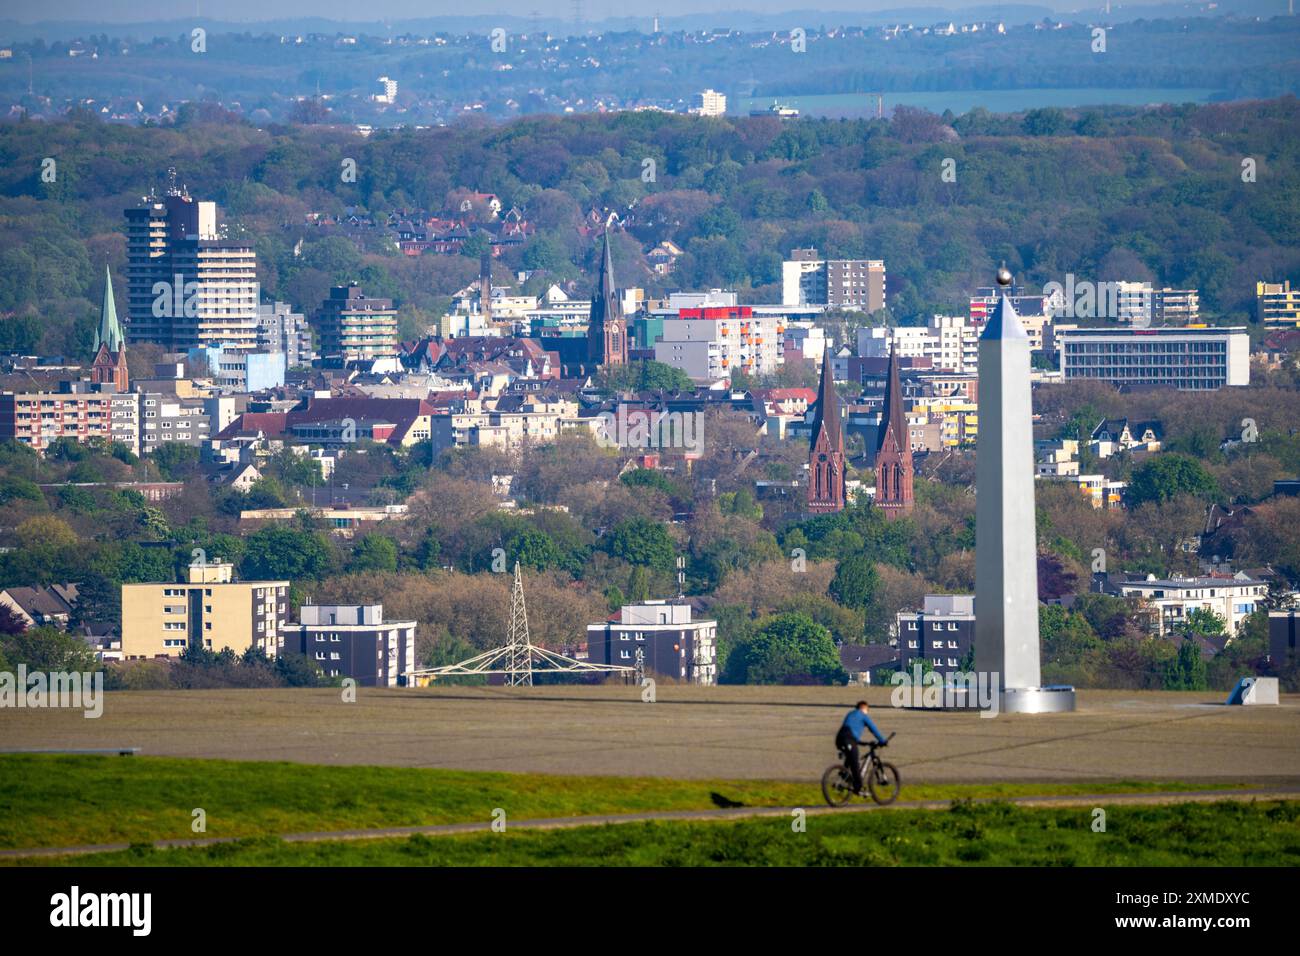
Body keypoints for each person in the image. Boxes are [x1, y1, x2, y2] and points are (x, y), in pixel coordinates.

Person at [836, 700, 887, 795]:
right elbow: (873, 729)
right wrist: (883, 741)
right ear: (864, 708)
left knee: (850, 758)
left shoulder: (850, 714)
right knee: (855, 763)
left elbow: (851, 731)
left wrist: (863, 743)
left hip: (840, 738)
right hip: (849, 739)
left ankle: (845, 775)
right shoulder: (862, 715)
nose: (868, 712)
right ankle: (858, 787)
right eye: (868, 709)